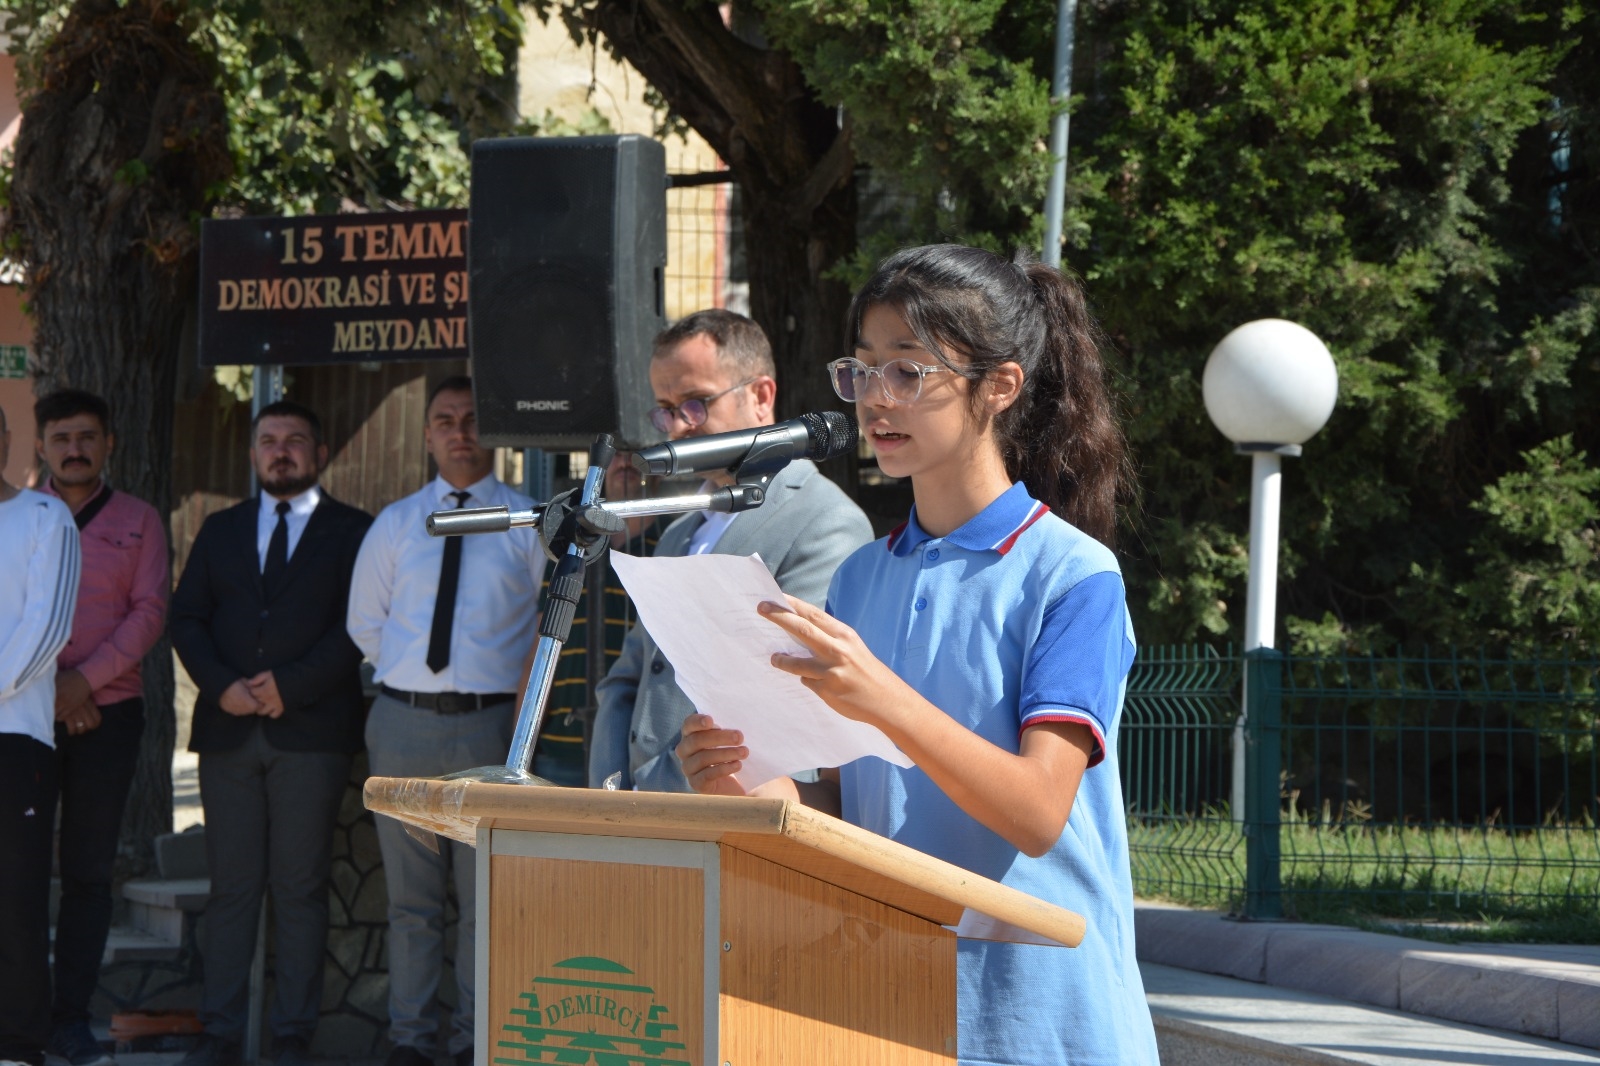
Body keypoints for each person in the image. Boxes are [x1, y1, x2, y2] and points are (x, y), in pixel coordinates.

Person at [676, 245, 1160, 1065]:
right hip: (891, 1007)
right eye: (862, 369)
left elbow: (1038, 814)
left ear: (999, 387)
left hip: (1042, 1021)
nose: (875, 398)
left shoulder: (1074, 575)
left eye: (907, 369)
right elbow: (849, 813)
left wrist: (884, 699)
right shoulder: (860, 578)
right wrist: (744, 782)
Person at [588, 309, 873, 792]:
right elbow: (629, 676)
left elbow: (777, 698)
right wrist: (611, 792)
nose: (678, 426)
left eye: (695, 404)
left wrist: (656, 794)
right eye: (666, 409)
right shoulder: (680, 531)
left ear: (761, 396)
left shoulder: (824, 522)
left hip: (737, 809)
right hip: (636, 810)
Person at [346, 376, 541, 1066]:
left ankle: (471, 1042)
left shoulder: (527, 522)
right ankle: (409, 1039)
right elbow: (366, 624)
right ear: (428, 435)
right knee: (411, 901)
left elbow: (545, 626)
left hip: (489, 731)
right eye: (445, 421)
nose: (460, 432)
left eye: (472, 419)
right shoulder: (397, 522)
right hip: (404, 724)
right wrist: (418, 685)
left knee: (484, 899)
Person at [171, 401, 372, 1066]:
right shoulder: (221, 528)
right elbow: (187, 617)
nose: (280, 451)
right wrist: (218, 684)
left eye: (294, 440)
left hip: (310, 733)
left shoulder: (355, 531)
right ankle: (221, 1031)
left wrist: (292, 684)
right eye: (268, 440)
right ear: (254, 452)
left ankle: (291, 1035)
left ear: (319, 453)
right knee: (231, 888)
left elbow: (359, 624)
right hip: (227, 730)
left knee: (299, 888)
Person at [34, 390, 168, 1066]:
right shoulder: (17, 517)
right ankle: (18, 1015)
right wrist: (52, 690)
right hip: (23, 714)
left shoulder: (140, 521)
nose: (75, 449)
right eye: (61, 438)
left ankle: (68, 1018)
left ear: (109, 442)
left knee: (88, 873)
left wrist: (83, 683)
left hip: (108, 715)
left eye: (87, 436)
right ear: (40, 446)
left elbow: (149, 612)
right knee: (17, 868)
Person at [0, 403, 82, 1066]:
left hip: (14, 737)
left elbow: (47, 627)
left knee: (14, 897)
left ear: (6, 440)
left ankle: (19, 1043)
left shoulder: (45, 518)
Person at [528, 449, 670, 787]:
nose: (625, 461)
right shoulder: (571, 543)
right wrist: (524, 745)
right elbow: (541, 648)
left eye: (636, 453)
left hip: (639, 750)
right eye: (615, 454)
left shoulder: (674, 542)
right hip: (560, 747)